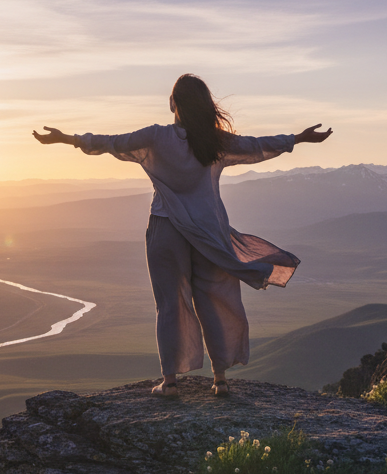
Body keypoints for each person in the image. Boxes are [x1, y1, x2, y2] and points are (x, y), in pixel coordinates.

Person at [32, 73, 332, 397]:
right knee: (214, 298)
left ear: (173, 103)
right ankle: (220, 380)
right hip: (209, 232)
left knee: (170, 303)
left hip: (165, 229)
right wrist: (299, 138)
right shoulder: (214, 141)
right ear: (206, 107)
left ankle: (171, 382)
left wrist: (67, 138)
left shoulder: (158, 138)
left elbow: (111, 142)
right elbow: (257, 146)